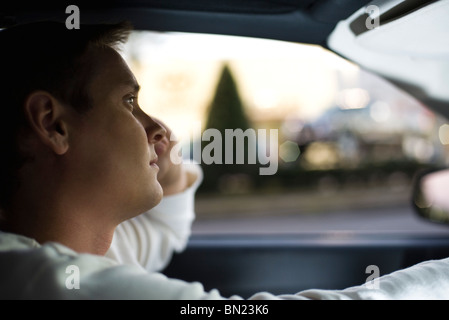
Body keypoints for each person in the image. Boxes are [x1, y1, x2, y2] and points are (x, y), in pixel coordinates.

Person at [0, 20, 449, 300]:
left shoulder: (93, 248)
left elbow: (163, 229)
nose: (159, 128)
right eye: (129, 102)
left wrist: (162, 163)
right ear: (53, 124)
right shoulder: (35, 280)